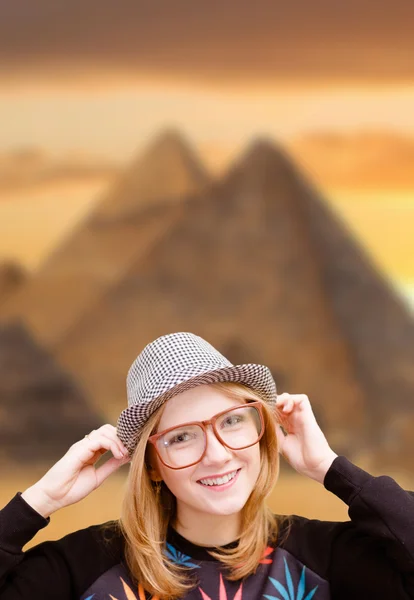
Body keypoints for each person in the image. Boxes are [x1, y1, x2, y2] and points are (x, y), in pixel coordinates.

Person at [0, 332, 413, 600]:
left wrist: (331, 468)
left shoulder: (326, 558)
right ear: (153, 465)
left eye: (232, 421)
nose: (217, 453)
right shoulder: (84, 566)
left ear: (261, 428)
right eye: (181, 437)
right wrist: (38, 502)